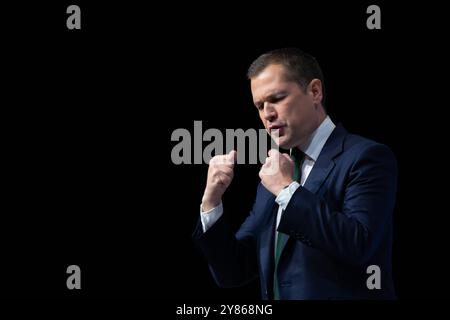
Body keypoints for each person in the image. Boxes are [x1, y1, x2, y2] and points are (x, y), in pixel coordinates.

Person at [192, 48, 397, 299]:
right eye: (260, 105)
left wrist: (287, 190)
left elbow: (359, 245)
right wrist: (211, 204)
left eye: (277, 98)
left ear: (314, 92)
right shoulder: (275, 175)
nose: (267, 114)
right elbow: (234, 271)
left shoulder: (366, 157)